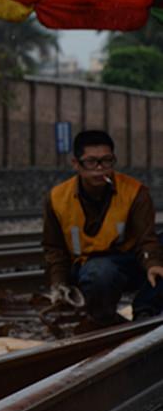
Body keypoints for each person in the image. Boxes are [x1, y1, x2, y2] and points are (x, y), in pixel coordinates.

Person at [42, 129, 163, 326]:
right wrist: (59, 283)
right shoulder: (57, 198)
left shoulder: (134, 192)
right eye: (91, 162)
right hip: (88, 268)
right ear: (76, 164)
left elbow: (146, 239)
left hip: (128, 261)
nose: (100, 169)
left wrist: (154, 264)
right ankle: (104, 319)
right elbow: (54, 248)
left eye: (107, 161)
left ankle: (145, 313)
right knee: (100, 271)